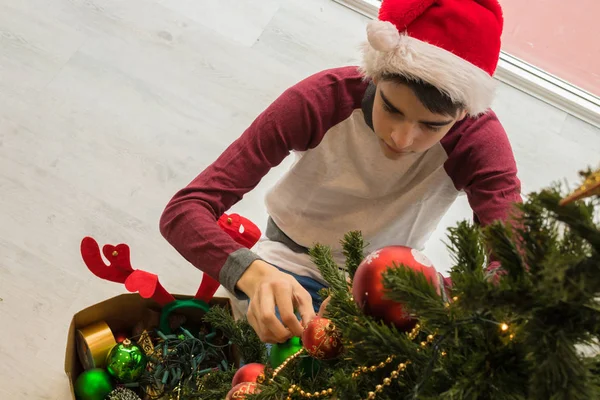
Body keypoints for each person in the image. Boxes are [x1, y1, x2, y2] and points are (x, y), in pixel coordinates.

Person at [159, 0, 521, 344]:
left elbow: (516, 264)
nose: (402, 138)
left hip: (390, 289)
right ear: (376, 78)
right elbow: (184, 211)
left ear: (462, 115)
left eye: (430, 125)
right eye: (392, 109)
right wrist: (252, 273)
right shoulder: (322, 99)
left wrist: (421, 291)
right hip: (290, 259)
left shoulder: (478, 141)